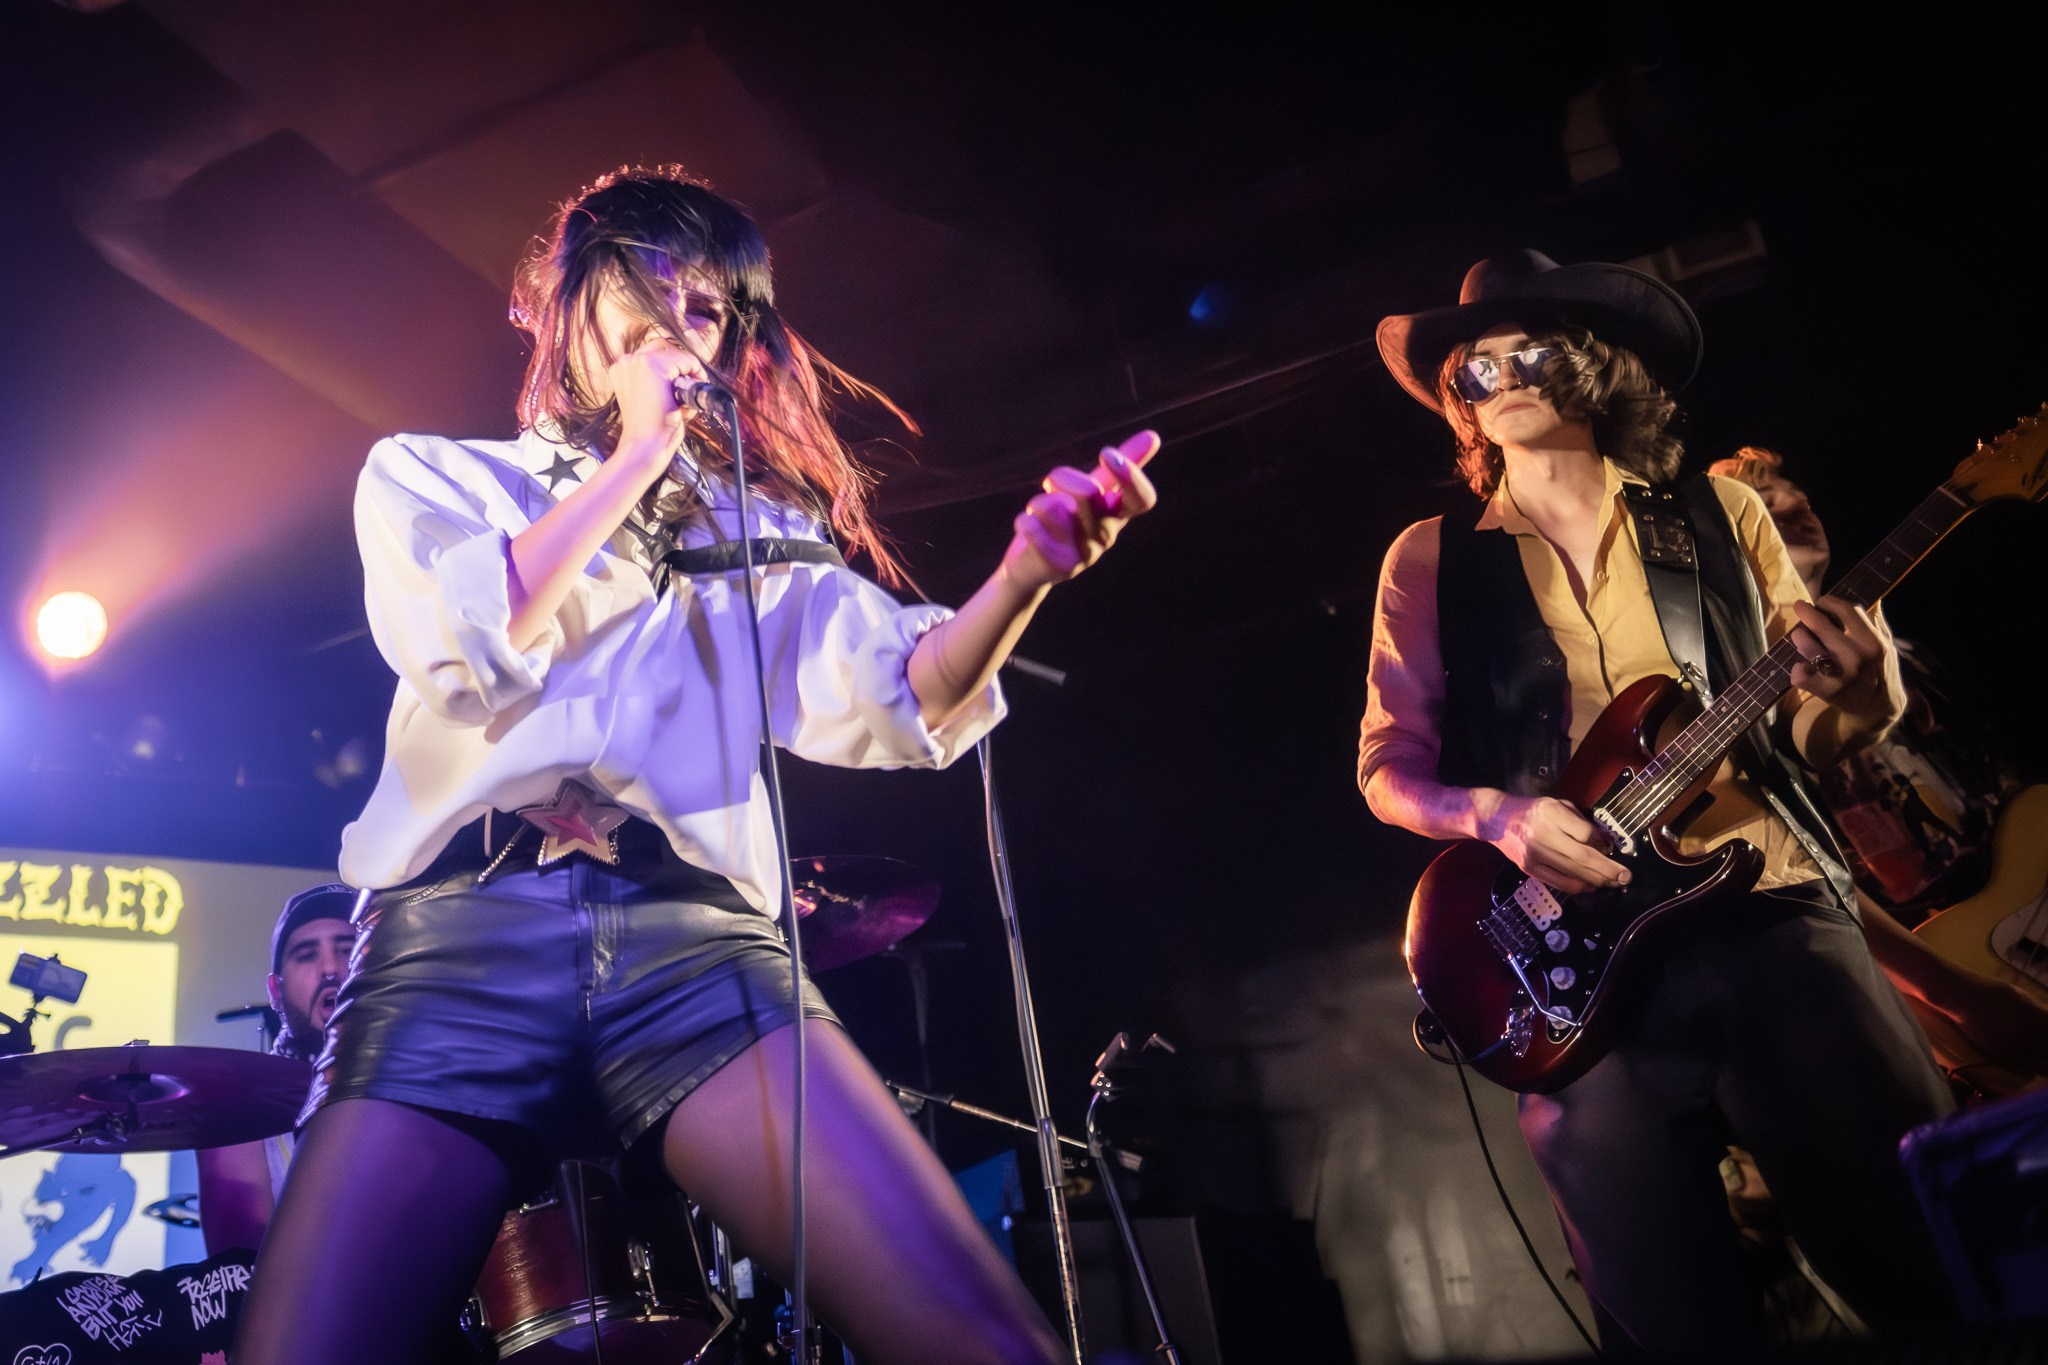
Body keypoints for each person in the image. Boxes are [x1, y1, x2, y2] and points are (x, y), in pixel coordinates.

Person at [233, 165, 1160, 1365]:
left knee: (985, 1344)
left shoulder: (756, 529)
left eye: (710, 307)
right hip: (457, 946)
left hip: (695, 953)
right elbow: (474, 647)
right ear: (567, 310)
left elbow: (898, 693)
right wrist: (636, 457)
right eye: (648, 286)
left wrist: (1023, 578)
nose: (678, 321)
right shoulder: (438, 476)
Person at [1358, 251, 1955, 1354]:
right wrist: (1500, 818)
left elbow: (1808, 728)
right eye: (1474, 370)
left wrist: (1865, 680)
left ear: (1588, 366)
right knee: (1667, 1321)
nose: (1502, 377)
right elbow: (1387, 765)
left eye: (1527, 352)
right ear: (1462, 408)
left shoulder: (1718, 513)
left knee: (1923, 1262)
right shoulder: (1429, 560)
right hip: (1576, 983)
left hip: (1768, 908)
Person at [1707, 446, 2048, 1087]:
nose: (1792, 502)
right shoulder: (1734, 700)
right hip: (1931, 973)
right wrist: (1960, 992)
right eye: (1763, 502)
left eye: (1790, 488)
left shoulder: (1904, 652)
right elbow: (1793, 864)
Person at [193, 883, 356, 1255]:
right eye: (306, 955)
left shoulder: (428, 1084)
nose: (331, 969)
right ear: (275, 992)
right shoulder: (240, 1110)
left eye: (348, 950)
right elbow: (240, 1276)